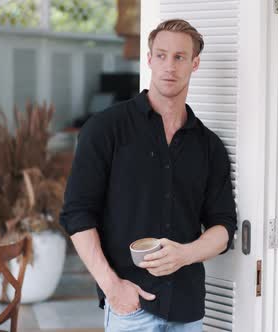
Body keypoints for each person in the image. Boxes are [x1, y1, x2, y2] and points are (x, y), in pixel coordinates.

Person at [60, 18, 237, 332]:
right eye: (161, 55)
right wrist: (112, 286)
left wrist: (186, 254)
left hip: (188, 307)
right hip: (130, 306)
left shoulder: (209, 146)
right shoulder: (105, 128)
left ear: (194, 64)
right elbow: (77, 215)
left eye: (180, 57)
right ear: (149, 59)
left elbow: (224, 227)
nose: (169, 66)